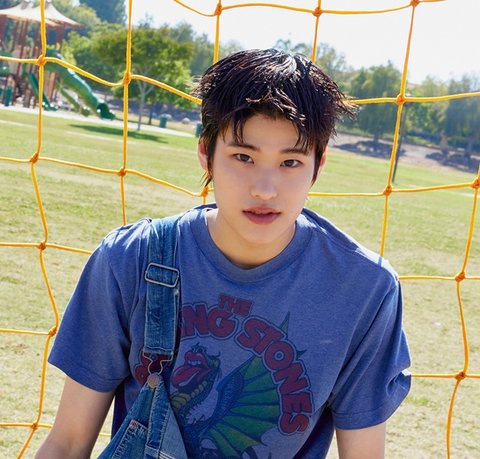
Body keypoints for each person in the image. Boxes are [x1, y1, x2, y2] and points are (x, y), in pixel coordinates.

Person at [36, 48, 410, 458]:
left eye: (290, 162)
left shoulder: (364, 289)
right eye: (243, 157)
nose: (264, 189)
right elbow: (68, 442)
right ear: (206, 152)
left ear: (318, 166)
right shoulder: (130, 259)